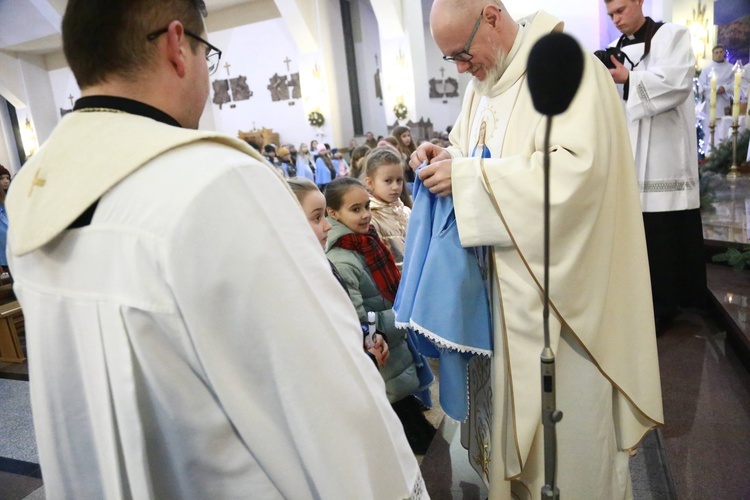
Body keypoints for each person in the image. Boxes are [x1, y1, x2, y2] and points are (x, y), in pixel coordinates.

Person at [4, 0, 426, 498]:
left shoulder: (34, 187)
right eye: (209, 53)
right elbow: (323, 384)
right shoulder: (217, 181)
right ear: (178, 46)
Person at [410, 1, 663, 497]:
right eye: (451, 60)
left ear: (491, 15)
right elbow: (472, 153)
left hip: (561, 313)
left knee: (570, 460)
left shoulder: (570, 70)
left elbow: (578, 177)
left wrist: (464, 178)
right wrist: (444, 157)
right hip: (500, 306)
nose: (461, 68)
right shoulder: (481, 87)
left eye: (462, 53)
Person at [605, 0, 709, 330]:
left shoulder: (672, 35)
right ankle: (636, 303)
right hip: (627, 152)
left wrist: (629, 79)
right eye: (610, 15)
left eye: (620, 10)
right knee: (634, 236)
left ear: (638, 1)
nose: (616, 19)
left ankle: (665, 306)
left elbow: (677, 83)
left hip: (664, 155)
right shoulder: (611, 49)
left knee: (662, 236)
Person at [324, 177, 435, 455]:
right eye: (355, 209)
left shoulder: (366, 241)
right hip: (382, 355)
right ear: (333, 213)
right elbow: (357, 321)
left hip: (394, 352)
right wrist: (401, 315)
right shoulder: (343, 257)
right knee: (413, 441)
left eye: (366, 207)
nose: (365, 215)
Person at [287, 177, 390, 367]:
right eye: (317, 217)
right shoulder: (293, 284)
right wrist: (367, 360)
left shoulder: (323, 265)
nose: (327, 225)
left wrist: (370, 333)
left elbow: (347, 322)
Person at [364, 147, 411, 267]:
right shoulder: (370, 217)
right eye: (388, 181)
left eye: (399, 180)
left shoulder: (406, 211)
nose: (395, 187)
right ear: (370, 183)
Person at [698, 45, 735, 119]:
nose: (719, 54)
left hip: (724, 102)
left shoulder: (731, 68)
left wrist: (725, 88)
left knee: (724, 124)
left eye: (721, 52)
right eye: (716, 53)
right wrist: (716, 89)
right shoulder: (706, 70)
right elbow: (701, 86)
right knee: (711, 124)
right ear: (713, 55)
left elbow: (735, 83)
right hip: (711, 102)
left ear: (724, 53)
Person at [392, 125, 417, 193]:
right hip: (407, 185)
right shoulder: (398, 153)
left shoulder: (413, 151)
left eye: (408, 135)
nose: (407, 138)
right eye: (404, 136)